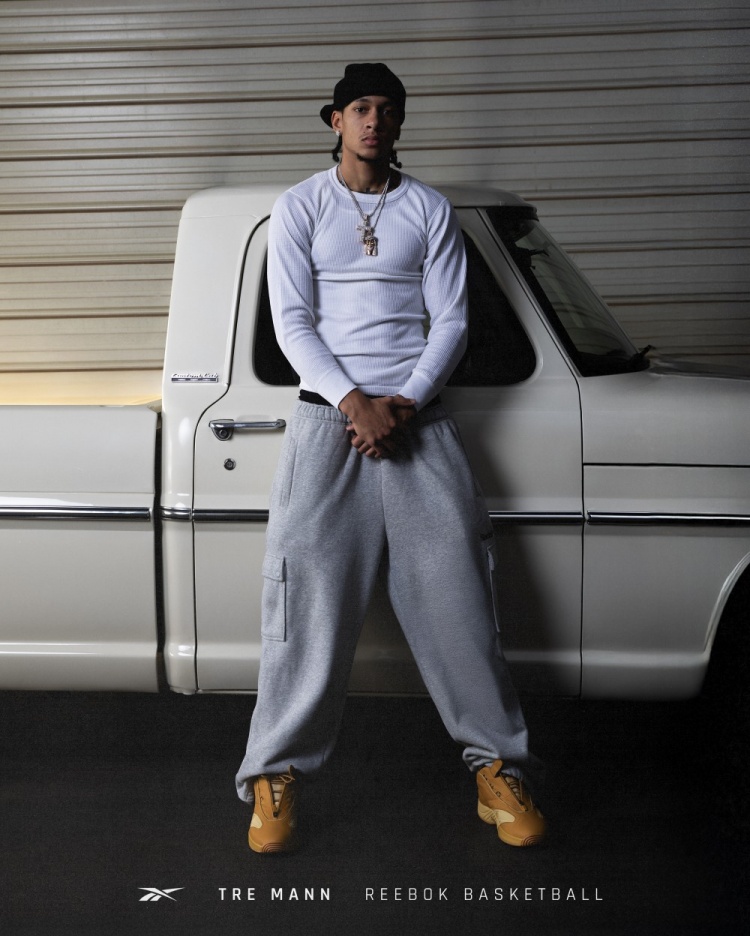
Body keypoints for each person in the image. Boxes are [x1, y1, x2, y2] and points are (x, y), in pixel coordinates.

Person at [235, 62, 546, 853]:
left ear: (400, 123)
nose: (375, 120)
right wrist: (356, 404)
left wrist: (401, 402)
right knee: (305, 609)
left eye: (388, 109)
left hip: (418, 426)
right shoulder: (300, 206)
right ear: (335, 120)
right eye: (361, 108)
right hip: (327, 428)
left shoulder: (429, 209)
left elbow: (452, 323)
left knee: (459, 604)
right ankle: (274, 776)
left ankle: (497, 770)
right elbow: (292, 323)